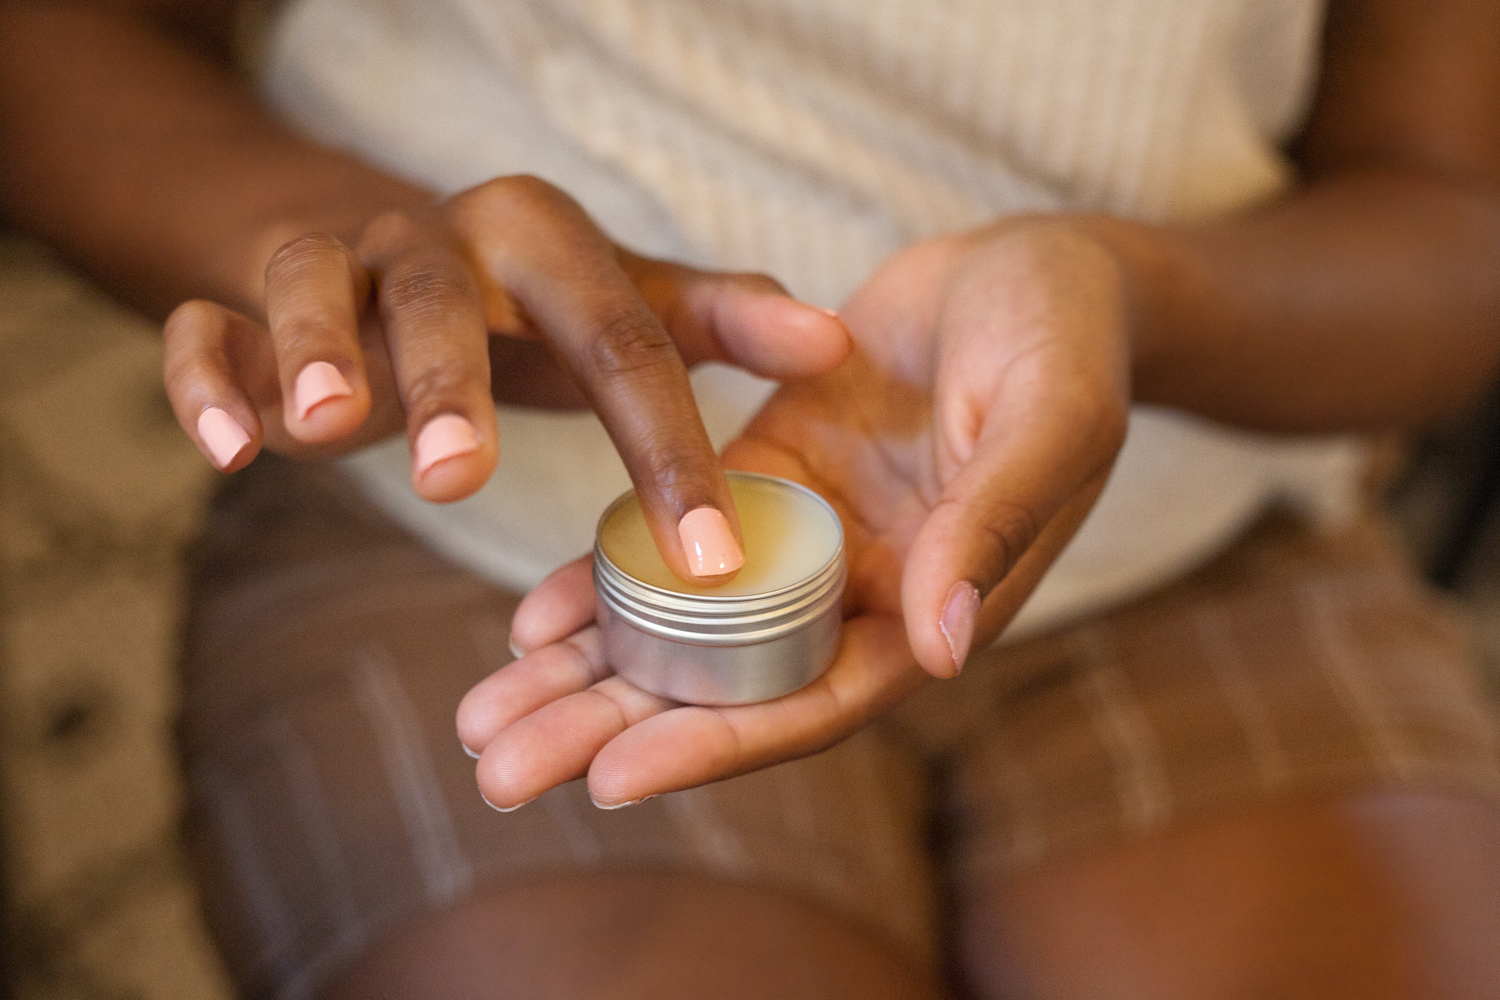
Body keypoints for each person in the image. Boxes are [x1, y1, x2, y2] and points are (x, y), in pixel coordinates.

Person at [3, 0, 1500, 996]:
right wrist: (327, 255)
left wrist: (1128, 293)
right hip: (469, 523)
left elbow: (1451, 209)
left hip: (1193, 505)